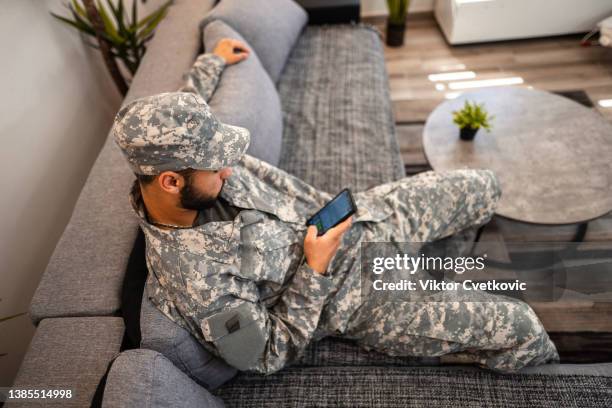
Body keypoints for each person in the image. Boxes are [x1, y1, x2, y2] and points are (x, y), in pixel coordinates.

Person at [112, 40, 559, 375]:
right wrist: (314, 269)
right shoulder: (195, 283)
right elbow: (267, 354)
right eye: (218, 167)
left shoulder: (182, 157)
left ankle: (442, 260)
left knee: (483, 186)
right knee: (522, 327)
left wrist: (213, 60)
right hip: (361, 299)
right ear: (171, 182)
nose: (229, 170)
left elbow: (178, 113)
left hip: (366, 217)